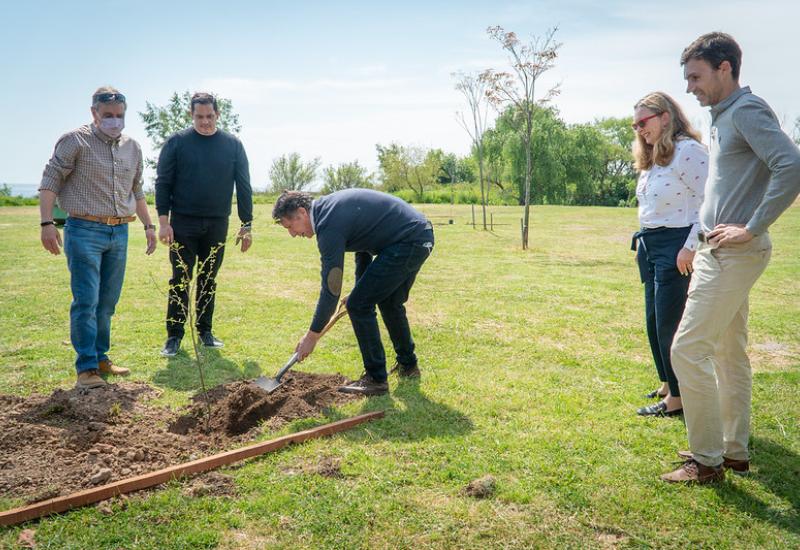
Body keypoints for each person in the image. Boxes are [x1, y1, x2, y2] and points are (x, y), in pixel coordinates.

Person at [661, 32, 800, 484]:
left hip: (732, 253)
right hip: (716, 250)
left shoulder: (747, 111)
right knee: (726, 353)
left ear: (726, 68)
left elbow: (791, 165)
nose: (689, 88)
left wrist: (753, 226)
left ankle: (706, 460)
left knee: (687, 349)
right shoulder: (724, 116)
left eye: (696, 76)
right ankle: (733, 451)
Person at [39, 86, 157, 389]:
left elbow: (137, 190)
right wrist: (46, 223)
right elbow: (50, 182)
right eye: (108, 116)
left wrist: (148, 226)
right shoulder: (74, 141)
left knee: (107, 302)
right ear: (94, 113)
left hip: (120, 231)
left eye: (119, 116)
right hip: (84, 231)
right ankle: (86, 369)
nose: (114, 121)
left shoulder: (133, 147)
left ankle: (101, 357)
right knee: (86, 300)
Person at [272, 189, 434, 396]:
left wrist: (312, 336)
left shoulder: (327, 225)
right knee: (388, 302)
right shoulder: (328, 212)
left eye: (290, 226)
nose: (293, 234)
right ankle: (408, 365)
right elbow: (363, 249)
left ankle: (376, 379)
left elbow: (331, 288)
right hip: (417, 236)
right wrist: (361, 288)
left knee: (359, 305)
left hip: (408, 241)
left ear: (302, 213)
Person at [155, 92, 253, 357]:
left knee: (209, 279)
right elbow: (162, 183)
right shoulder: (177, 143)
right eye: (199, 116)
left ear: (217, 115)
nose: (205, 122)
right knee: (180, 279)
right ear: (191, 115)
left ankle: (205, 331)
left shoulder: (233, 145)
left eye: (210, 116)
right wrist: (163, 222)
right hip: (182, 223)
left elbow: (243, 187)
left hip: (217, 223)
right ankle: (173, 336)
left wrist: (247, 225)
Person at [630, 92, 707, 418]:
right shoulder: (654, 158)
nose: (639, 129)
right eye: (635, 125)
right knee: (653, 320)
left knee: (669, 324)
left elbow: (710, 202)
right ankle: (666, 381)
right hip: (651, 244)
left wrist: (690, 246)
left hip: (676, 245)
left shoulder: (688, 152)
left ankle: (678, 398)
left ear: (665, 117)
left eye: (643, 122)